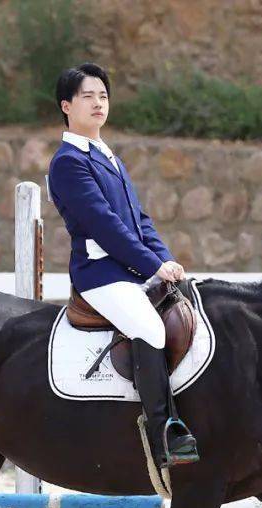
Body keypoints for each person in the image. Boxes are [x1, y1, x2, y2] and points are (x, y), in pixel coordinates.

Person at [47, 62, 198, 469]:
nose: (98, 103)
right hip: (101, 275)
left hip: (130, 269)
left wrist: (165, 258)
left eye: (103, 96)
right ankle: (163, 432)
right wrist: (151, 266)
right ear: (66, 106)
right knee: (149, 328)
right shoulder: (68, 162)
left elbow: (139, 220)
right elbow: (105, 225)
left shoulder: (108, 156)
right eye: (88, 97)